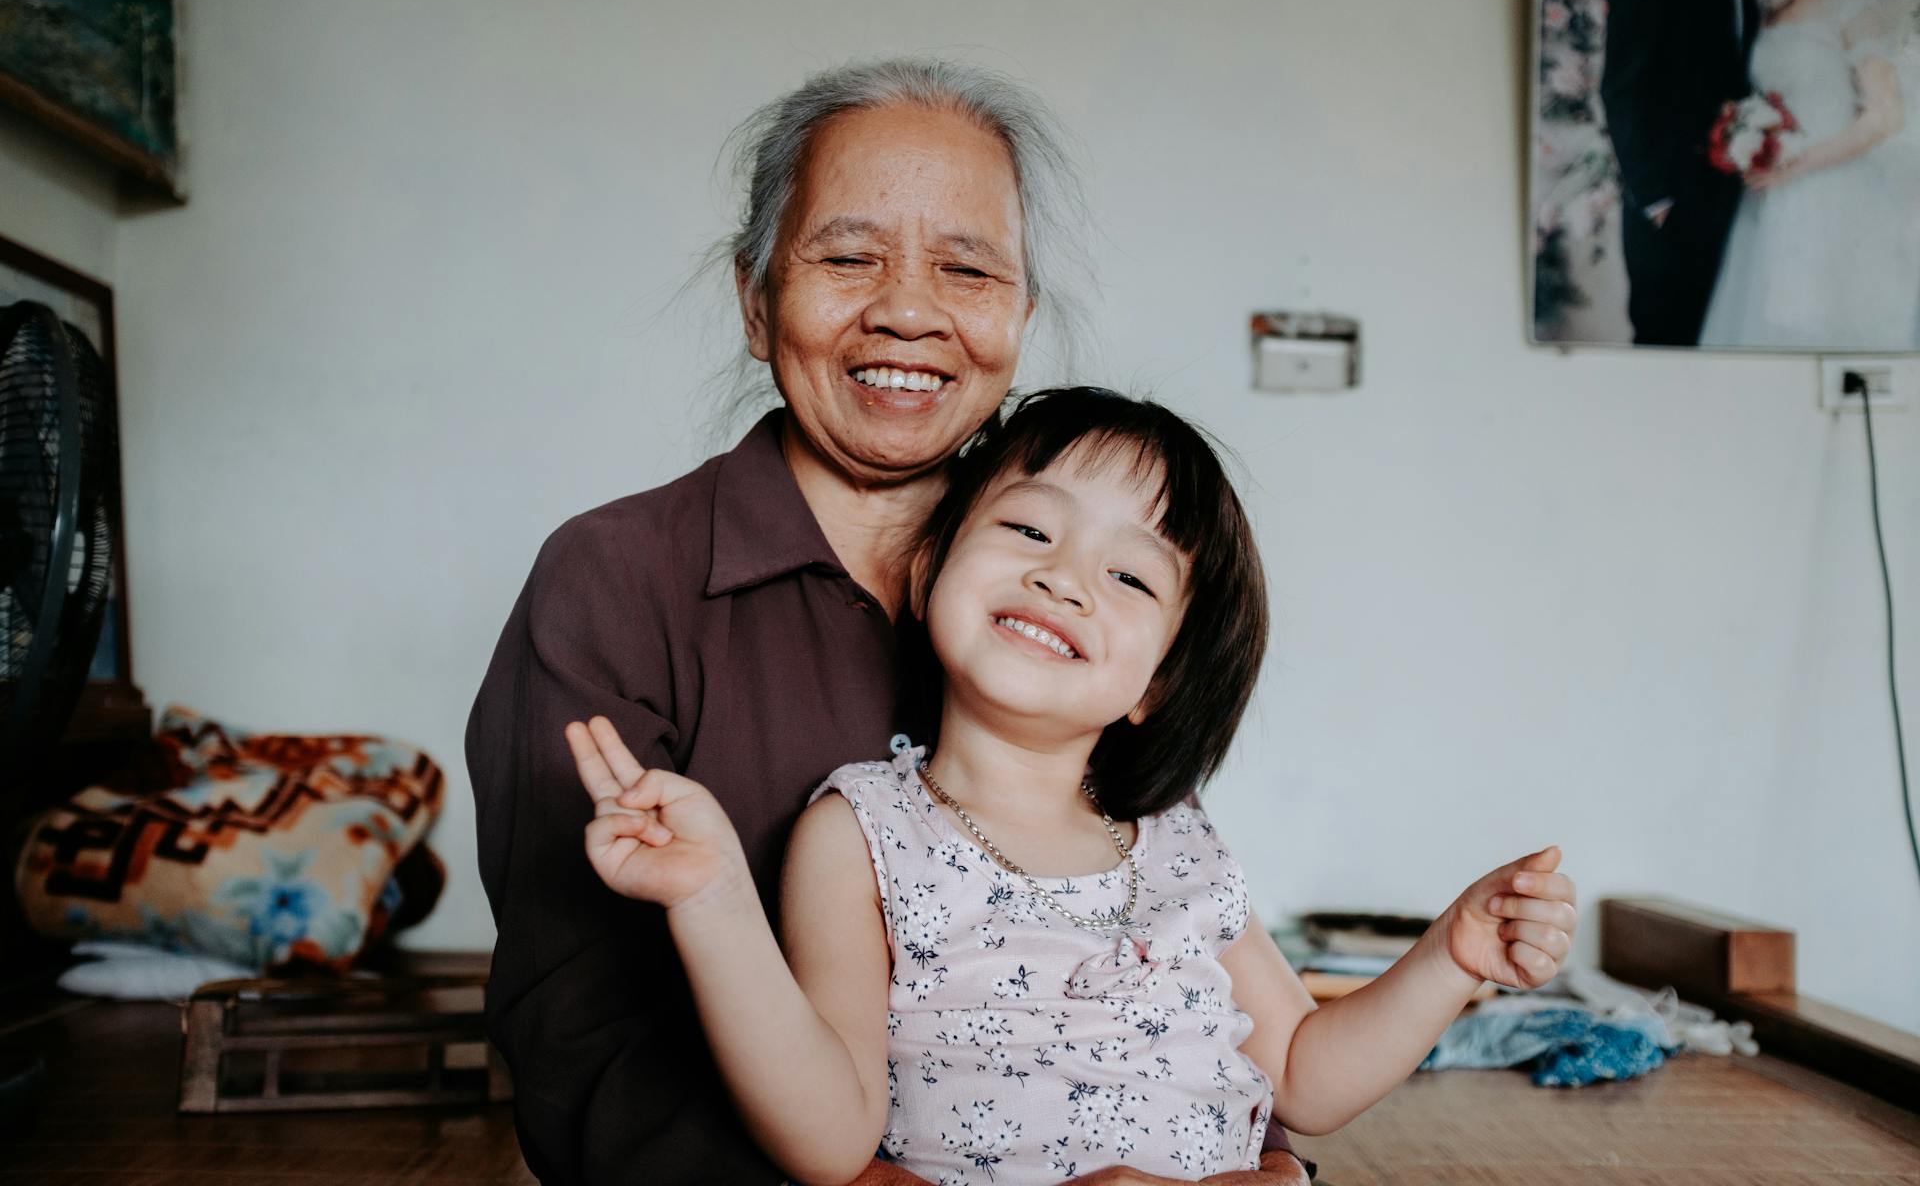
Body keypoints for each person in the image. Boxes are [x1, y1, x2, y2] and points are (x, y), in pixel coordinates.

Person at [467, 60, 1313, 1184]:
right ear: (757, 297)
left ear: (1018, 317)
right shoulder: (616, 578)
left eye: (967, 267)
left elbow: (1165, 985)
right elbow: (584, 1051)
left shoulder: (1067, 604)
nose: (908, 310)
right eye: (848, 255)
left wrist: (1266, 1169)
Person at [569, 388, 1580, 1186]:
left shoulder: (1179, 840)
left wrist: (1451, 954)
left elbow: (1308, 1077)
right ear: (927, 577)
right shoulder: (863, 827)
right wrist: (710, 902)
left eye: (1131, 577)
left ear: (1160, 683)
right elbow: (830, 1139)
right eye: (1030, 530)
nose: (1066, 579)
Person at [1699, 0, 1920, 350]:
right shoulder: (1770, 17)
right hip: (1770, 202)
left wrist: (1797, 166)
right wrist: (1750, 140)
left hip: (1837, 193)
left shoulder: (1855, 10)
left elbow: (1884, 116)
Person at [1600, 0, 1762, 346]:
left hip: (1735, 210)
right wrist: (1657, 202)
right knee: (1666, 357)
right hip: (1670, 214)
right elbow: (1623, 87)